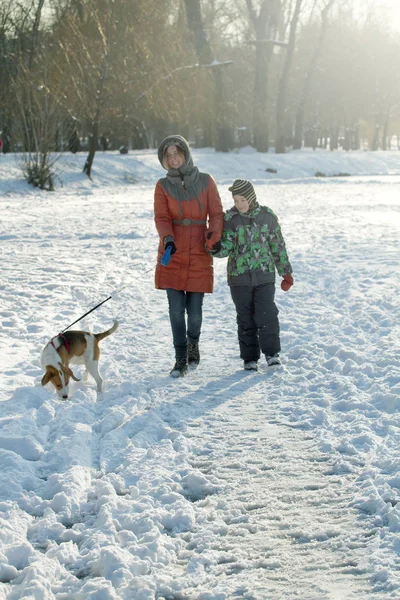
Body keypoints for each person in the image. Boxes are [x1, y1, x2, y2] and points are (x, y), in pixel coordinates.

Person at [154, 135, 224, 377]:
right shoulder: (162, 186)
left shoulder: (206, 181)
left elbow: (216, 212)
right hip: (172, 252)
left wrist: (213, 237)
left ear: (186, 153)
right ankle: (180, 357)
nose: (173, 159)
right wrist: (168, 239)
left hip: (199, 250)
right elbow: (162, 217)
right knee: (175, 310)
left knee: (194, 312)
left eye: (177, 154)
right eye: (168, 156)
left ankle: (193, 343)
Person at [209, 179, 293, 371]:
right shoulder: (230, 219)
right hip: (239, 278)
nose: (239, 205)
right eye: (236, 201)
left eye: (242, 200)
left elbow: (277, 246)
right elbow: (227, 248)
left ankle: (272, 353)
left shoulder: (267, 217)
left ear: (251, 198)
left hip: (264, 276)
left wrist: (285, 271)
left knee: (267, 314)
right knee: (245, 317)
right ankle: (250, 358)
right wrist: (215, 248)